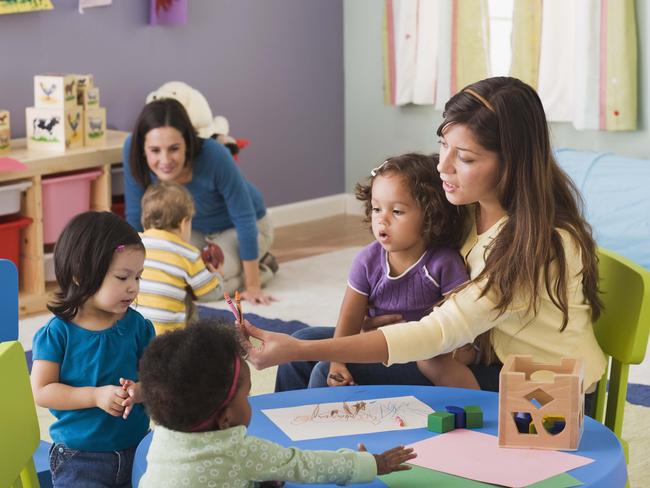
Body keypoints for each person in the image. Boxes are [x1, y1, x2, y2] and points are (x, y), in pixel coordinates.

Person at [241, 77, 607, 407]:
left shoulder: (538, 245)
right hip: (478, 358)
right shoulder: (466, 211)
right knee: (305, 351)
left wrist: (300, 349)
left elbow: (436, 333)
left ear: (510, 164)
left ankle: (324, 474)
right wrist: (320, 342)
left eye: (463, 157)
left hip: (539, 395)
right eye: (443, 146)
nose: (442, 166)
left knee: (324, 369)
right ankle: (278, 471)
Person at [276, 153, 482, 392]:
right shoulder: (367, 260)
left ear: (430, 215)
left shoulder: (443, 263)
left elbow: (462, 324)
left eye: (397, 212)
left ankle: (319, 426)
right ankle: (278, 423)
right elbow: (350, 319)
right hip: (377, 340)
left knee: (323, 373)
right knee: (301, 342)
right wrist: (337, 361)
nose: (382, 220)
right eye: (376, 208)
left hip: (422, 353)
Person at [138, 319, 416, 487]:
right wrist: (370, 463)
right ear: (225, 419)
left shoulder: (163, 435)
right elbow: (305, 465)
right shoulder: (240, 452)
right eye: (245, 397)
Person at [30, 211, 155, 488]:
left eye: (138, 277)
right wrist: (95, 396)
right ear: (80, 275)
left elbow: (158, 378)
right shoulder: (58, 333)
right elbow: (42, 391)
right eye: (123, 277)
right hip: (80, 458)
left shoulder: (138, 327)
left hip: (138, 448)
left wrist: (140, 391)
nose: (133, 287)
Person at [123, 97, 277, 304]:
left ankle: (263, 268)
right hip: (190, 230)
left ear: (187, 142)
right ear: (143, 148)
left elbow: (244, 217)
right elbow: (135, 217)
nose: (165, 160)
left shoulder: (214, 154)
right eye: (155, 151)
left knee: (204, 283)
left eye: (174, 148)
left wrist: (253, 286)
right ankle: (248, 265)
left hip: (243, 227)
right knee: (174, 279)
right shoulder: (131, 149)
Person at [136, 181, 223, 335]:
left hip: (133, 334)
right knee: (189, 304)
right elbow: (210, 294)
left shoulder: (134, 244)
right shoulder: (188, 253)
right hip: (169, 340)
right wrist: (217, 276)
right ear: (184, 223)